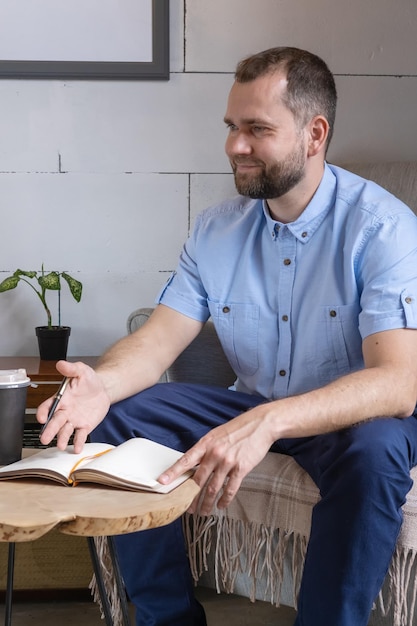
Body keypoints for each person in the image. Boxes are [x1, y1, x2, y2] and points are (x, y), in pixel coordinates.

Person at [37, 46, 417, 626]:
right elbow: (159, 340)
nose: (234, 146)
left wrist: (268, 422)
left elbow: (398, 384)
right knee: (118, 413)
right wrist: (103, 384)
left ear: (314, 134)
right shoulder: (216, 230)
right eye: (232, 127)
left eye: (257, 129)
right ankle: (165, 619)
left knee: (378, 449)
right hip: (252, 406)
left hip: (347, 421)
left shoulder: (384, 229)